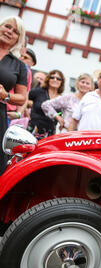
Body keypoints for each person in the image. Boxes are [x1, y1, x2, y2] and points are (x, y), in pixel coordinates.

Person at [0, 16, 28, 175]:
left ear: (18, 38)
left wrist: (6, 95)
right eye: (7, 26)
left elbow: (22, 97)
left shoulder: (19, 65)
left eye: (15, 31)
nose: (9, 32)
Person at [28, 69, 65, 139]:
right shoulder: (38, 91)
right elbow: (24, 100)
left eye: (58, 78)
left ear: (61, 82)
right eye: (52, 77)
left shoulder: (62, 99)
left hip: (50, 133)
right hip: (33, 129)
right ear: (48, 79)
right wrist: (29, 109)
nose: (55, 80)